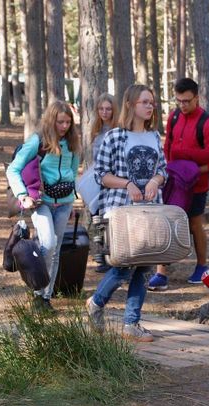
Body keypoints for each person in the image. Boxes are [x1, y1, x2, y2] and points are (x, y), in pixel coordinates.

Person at [85, 84, 167, 342]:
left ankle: (131, 323)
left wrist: (155, 181)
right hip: (121, 211)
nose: (150, 105)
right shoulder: (114, 137)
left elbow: (163, 170)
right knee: (122, 267)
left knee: (142, 269)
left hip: (149, 211)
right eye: (145, 101)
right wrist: (128, 184)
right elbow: (100, 175)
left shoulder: (154, 137)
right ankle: (96, 303)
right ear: (131, 104)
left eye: (152, 102)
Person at [6, 100, 81, 311]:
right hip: (42, 202)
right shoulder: (37, 142)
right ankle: (33, 276)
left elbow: (73, 173)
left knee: (55, 250)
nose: (64, 126)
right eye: (60, 122)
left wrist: (73, 203)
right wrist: (23, 196)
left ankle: (43, 298)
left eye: (68, 122)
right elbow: (13, 170)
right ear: (50, 121)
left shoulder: (73, 143)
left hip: (64, 203)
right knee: (46, 244)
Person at [147, 78, 209, 291]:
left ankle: (201, 267)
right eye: (179, 101)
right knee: (167, 221)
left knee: (195, 224)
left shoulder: (206, 123)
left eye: (187, 101)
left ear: (196, 98)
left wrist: (194, 171)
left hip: (197, 186)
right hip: (173, 183)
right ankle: (161, 273)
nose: (182, 105)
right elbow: (168, 145)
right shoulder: (174, 116)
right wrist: (168, 169)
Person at [89, 93, 119, 273]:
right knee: (97, 218)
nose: (104, 112)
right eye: (101, 109)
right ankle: (101, 256)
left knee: (111, 220)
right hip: (97, 181)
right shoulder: (96, 129)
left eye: (108, 109)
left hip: (113, 180)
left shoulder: (118, 129)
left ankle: (113, 256)